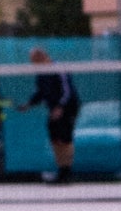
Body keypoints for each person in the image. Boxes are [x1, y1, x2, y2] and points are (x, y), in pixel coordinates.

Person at [23, 46, 82, 184]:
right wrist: (29, 104)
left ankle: (67, 172)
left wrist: (60, 106)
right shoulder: (41, 75)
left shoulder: (58, 68)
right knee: (54, 137)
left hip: (68, 107)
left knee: (65, 138)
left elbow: (67, 91)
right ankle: (62, 170)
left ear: (42, 57)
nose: (33, 64)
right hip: (54, 109)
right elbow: (41, 93)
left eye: (34, 60)